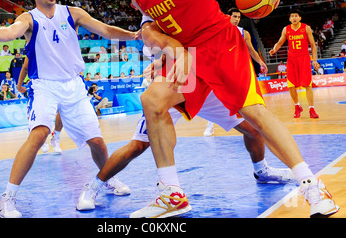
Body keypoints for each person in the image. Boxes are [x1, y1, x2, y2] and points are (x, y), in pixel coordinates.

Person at [112, 0, 338, 218]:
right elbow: (151, 28)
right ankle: (172, 194)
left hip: (220, 43)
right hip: (189, 54)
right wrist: (166, 52)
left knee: (253, 111)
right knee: (152, 101)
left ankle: (312, 185)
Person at [77, 16, 295, 212]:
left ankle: (262, 171)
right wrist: (162, 60)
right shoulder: (149, 23)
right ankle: (95, 186)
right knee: (138, 145)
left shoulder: (180, 5)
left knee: (253, 128)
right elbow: (164, 48)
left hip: (205, 80)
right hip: (177, 84)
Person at [0, 0, 138, 218]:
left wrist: (132, 35)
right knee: (39, 135)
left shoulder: (73, 13)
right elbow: (12, 31)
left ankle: (107, 178)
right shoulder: (29, 18)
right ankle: (7, 199)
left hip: (74, 86)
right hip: (44, 85)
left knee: (97, 142)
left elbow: (106, 30)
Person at [270, 9, 320, 119]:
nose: (294, 18)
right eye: (292, 16)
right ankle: (297, 106)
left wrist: (315, 60)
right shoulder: (286, 29)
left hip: (304, 58)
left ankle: (311, 109)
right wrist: (274, 49)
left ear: (300, 18)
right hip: (292, 59)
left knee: (308, 84)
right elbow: (280, 42)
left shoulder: (306, 28)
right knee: (291, 85)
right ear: (289, 18)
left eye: (296, 16)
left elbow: (313, 44)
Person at [17, 56, 61, 154]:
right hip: (38, 84)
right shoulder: (33, 47)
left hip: (56, 82)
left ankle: (56, 137)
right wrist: (19, 85)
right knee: (32, 114)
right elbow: (25, 67)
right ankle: (42, 138)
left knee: (63, 110)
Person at [227, 7, 268, 75]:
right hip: (225, 65)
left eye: (239, 17)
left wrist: (261, 62)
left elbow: (251, 50)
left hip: (240, 66)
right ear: (228, 17)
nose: (237, 19)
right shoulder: (220, 31)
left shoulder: (244, 33)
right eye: (235, 16)